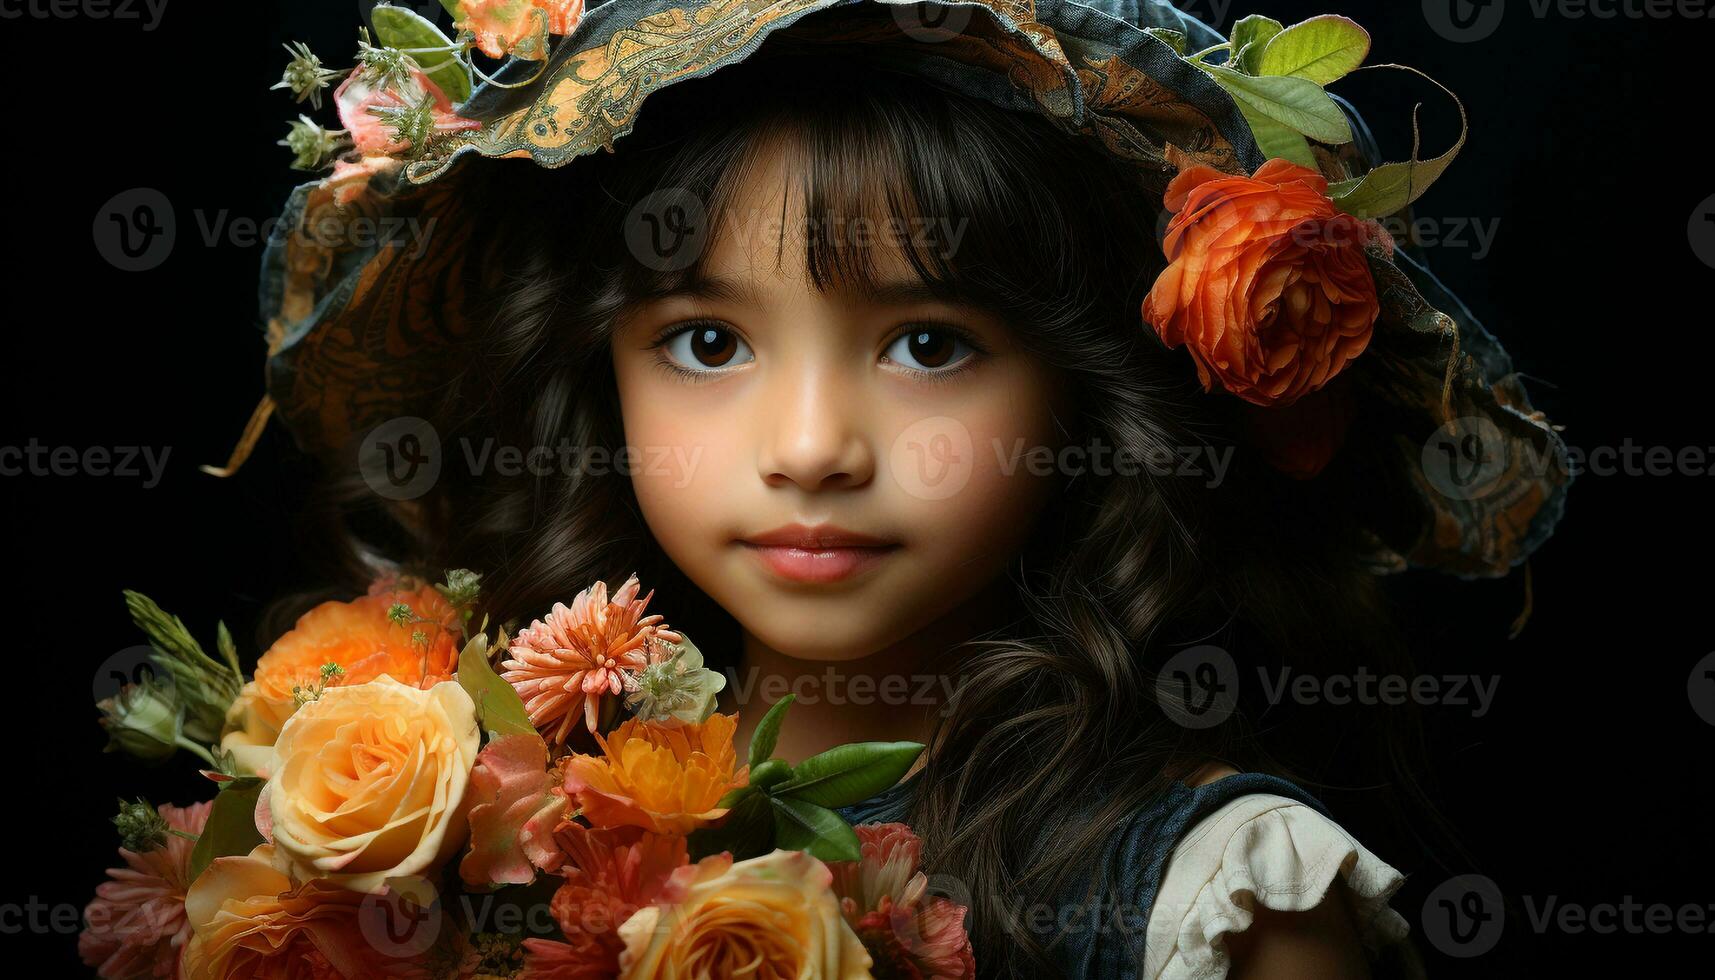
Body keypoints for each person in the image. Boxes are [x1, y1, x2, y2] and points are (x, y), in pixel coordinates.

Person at [232, 2, 1572, 976]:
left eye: (929, 345)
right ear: (601, 375)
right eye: (709, 342)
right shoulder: (483, 813)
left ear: (1084, 392)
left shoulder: (1217, 899)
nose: (812, 446)